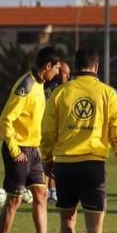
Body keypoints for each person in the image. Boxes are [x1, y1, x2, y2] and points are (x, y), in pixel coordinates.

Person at [41, 46, 117, 233]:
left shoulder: (59, 93)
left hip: (65, 165)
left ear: (76, 65)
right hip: (93, 165)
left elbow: (47, 131)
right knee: (95, 229)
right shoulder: (108, 94)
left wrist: (48, 159)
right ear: (96, 66)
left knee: (67, 222)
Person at [0, 46, 64, 233]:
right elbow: (5, 119)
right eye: (57, 69)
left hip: (34, 150)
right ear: (48, 66)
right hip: (20, 150)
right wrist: (15, 151)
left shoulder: (40, 85)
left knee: (41, 195)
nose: (58, 74)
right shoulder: (26, 85)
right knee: (14, 200)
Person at [43, 61, 70, 204]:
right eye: (65, 73)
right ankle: (49, 191)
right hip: (50, 129)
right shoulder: (57, 90)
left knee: (52, 160)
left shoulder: (50, 87)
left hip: (55, 129)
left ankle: (50, 191)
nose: (67, 76)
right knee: (49, 160)